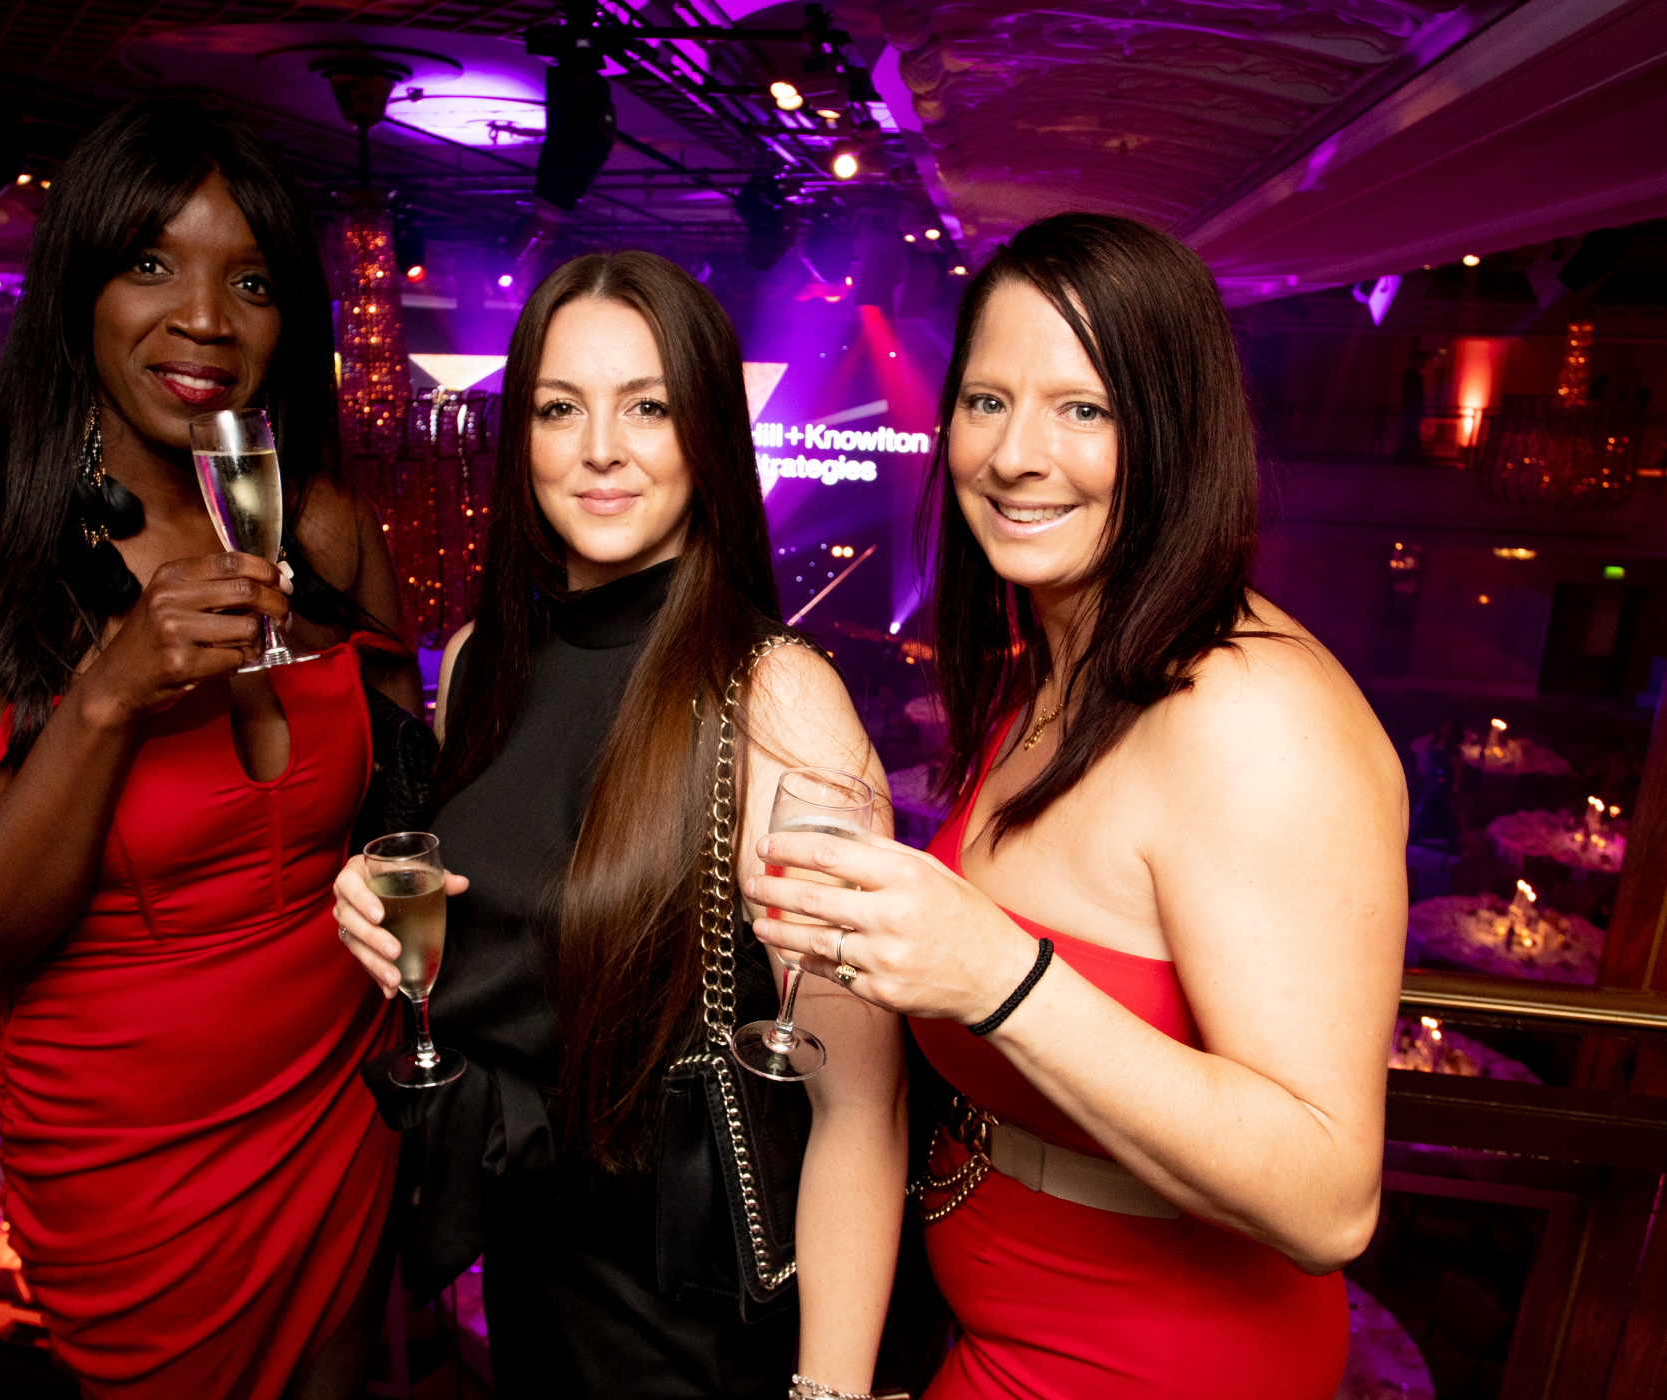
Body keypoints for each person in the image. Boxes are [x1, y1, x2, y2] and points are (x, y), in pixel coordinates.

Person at [748, 214, 1405, 1398]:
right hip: (987, 1320)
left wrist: (996, 974)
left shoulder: (1253, 714)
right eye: (986, 400)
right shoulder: (1059, 668)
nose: (1014, 454)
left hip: (1155, 1359)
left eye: (1082, 408)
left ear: (1172, 431)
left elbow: (1330, 1196)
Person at [0, 97, 408, 1399]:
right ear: (77, 288)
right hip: (134, 1157)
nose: (205, 317)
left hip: (341, 1096)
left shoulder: (322, 527)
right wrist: (105, 700)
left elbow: (412, 802)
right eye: (152, 262)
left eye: (252, 282)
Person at [331, 251, 906, 1399]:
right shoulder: (482, 662)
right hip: (531, 1295)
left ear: (707, 432)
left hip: (693, 1331)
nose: (600, 447)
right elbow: (508, 938)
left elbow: (861, 1105)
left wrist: (830, 1393)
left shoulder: (776, 693)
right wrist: (382, 917)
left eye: (647, 405)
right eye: (560, 408)